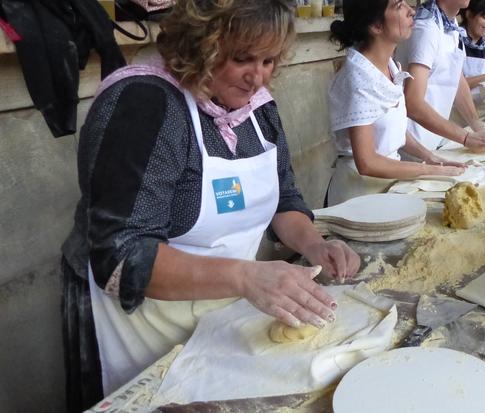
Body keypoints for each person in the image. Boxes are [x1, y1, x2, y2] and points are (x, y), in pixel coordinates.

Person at [60, 0, 360, 410]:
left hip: (222, 312)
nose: (257, 77)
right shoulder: (144, 104)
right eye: (242, 58)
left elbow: (284, 196)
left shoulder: (258, 108)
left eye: (270, 60)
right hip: (141, 323)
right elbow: (119, 258)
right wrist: (245, 277)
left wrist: (313, 244)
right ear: (201, 45)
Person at [326, 0, 467, 206]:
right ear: (376, 26)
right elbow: (367, 162)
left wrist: (430, 157)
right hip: (360, 194)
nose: (412, 11)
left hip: (386, 186)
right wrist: (430, 171)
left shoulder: (389, 66)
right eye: (399, 6)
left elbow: (393, 130)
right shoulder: (358, 79)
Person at [395, 0, 485, 151]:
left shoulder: (450, 23)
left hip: (434, 138)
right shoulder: (426, 28)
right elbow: (413, 102)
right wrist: (465, 137)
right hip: (415, 143)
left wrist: (478, 126)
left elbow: (456, 77)